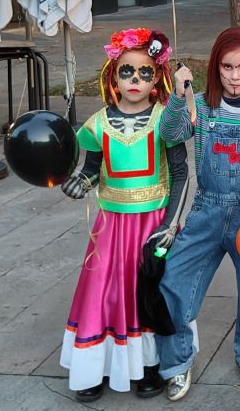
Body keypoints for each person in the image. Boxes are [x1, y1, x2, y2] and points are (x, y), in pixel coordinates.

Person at [59, 28, 188, 403]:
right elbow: (91, 168)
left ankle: (149, 365)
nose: (135, 80)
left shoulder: (166, 120)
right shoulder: (97, 123)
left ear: (158, 78)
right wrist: (80, 182)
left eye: (145, 72)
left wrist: (170, 224)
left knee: (148, 289)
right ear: (112, 76)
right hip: (111, 228)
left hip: (152, 225)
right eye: (127, 71)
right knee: (104, 292)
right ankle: (94, 366)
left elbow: (182, 173)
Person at [156, 27, 240, 400]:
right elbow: (170, 133)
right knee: (175, 281)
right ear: (215, 67)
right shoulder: (201, 105)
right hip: (207, 209)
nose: (234, 76)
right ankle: (176, 363)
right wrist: (178, 96)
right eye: (226, 67)